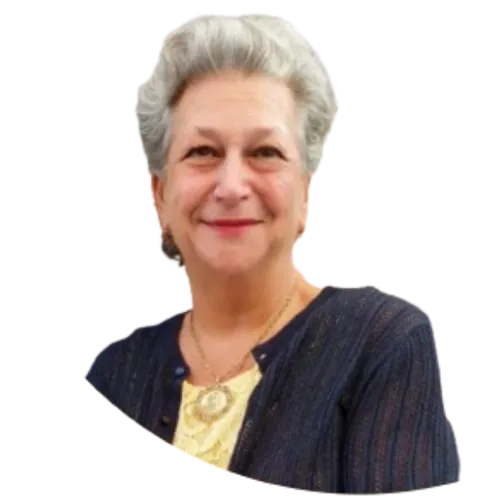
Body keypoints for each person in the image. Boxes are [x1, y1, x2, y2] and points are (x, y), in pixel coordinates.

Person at [84, 12, 461, 494]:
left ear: (304, 191)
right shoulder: (114, 374)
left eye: (265, 152)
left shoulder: (380, 345)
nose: (231, 186)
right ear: (158, 194)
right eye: (203, 152)